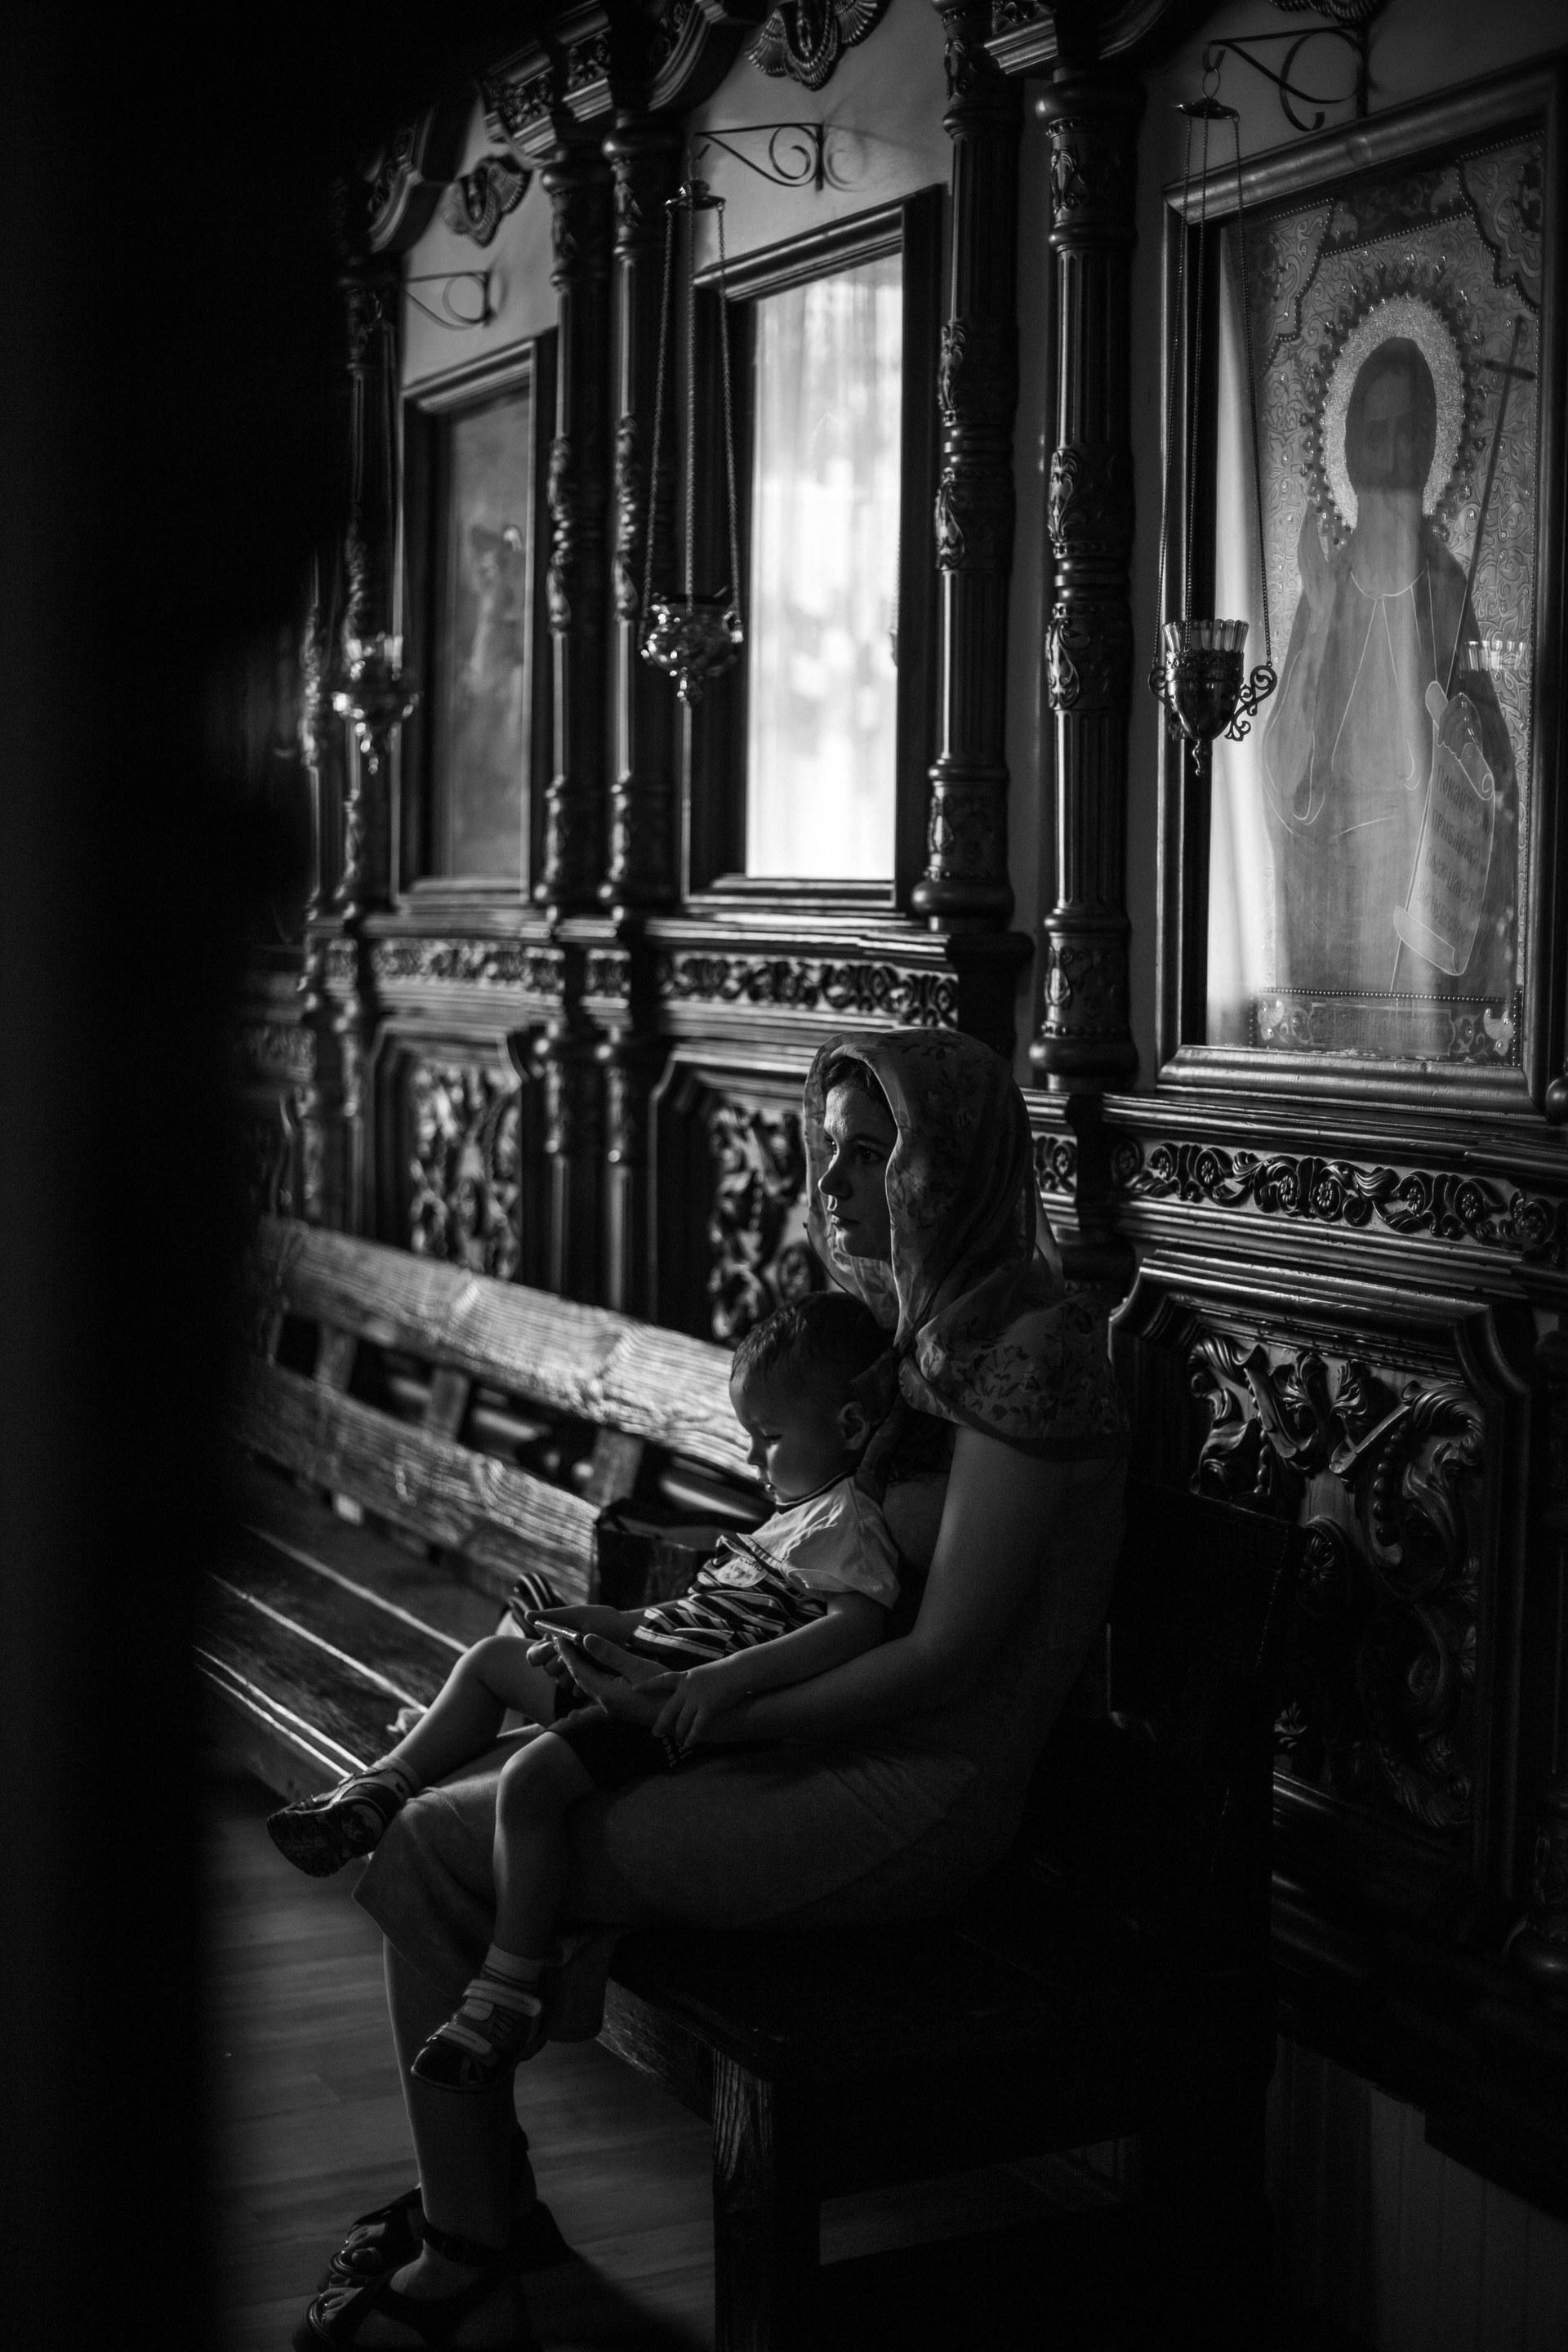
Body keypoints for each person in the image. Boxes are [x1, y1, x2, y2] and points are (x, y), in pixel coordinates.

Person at [293, 1027, 1129, 2352]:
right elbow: (810, 1559)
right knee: (464, 1808)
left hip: (912, 1787)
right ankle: (478, 2211)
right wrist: (655, 1657)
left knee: (445, 1840)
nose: (835, 1183)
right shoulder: (920, 1329)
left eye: (875, 1153)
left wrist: (706, 1709)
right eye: (831, 1150)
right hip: (815, 1731)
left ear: (955, 1164)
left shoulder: (1033, 1345)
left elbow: (948, 1661)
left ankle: (474, 2252)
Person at [265, 1290, 901, 2092]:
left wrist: (725, 1679)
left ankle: (508, 1989)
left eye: (768, 1439)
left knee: (529, 1783)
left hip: (668, 1708)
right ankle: (379, 1791)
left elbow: (857, 1627)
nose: (751, 1459)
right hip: (635, 1669)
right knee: (493, 1661)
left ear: (850, 1425)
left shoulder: (848, 1524)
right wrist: (607, 1621)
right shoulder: (790, 1518)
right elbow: (690, 1615)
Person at [1262, 334, 1513, 1003]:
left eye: (1410, 433)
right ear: (1351, 449)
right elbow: (1283, 778)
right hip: (1338, 892)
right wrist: (1319, 627)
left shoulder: (1446, 589)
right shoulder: (1330, 589)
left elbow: (1495, 766)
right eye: (1378, 435)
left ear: (1430, 444)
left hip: (1421, 889)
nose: (1395, 456)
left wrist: (1468, 740)